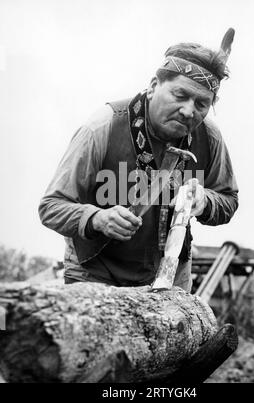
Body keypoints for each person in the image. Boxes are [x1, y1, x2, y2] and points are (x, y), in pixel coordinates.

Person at [39, 37, 239, 292]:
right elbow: (51, 207)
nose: (189, 111)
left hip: (169, 277)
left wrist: (205, 202)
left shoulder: (209, 137)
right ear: (154, 85)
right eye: (180, 95)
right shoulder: (103, 127)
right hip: (95, 273)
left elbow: (228, 199)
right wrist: (97, 218)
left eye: (202, 104)